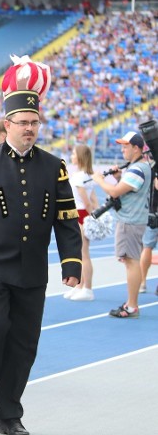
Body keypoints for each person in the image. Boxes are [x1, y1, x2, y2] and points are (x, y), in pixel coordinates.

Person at [0, 58, 82, 435]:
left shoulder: (54, 166)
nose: (29, 129)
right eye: (22, 122)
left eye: (34, 123)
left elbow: (67, 219)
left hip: (31, 271)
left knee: (24, 343)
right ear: (7, 124)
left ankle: (9, 411)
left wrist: (71, 262)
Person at [91, 131, 151, 318]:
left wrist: (101, 180)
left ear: (136, 148)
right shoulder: (143, 166)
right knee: (131, 261)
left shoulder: (136, 169)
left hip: (130, 221)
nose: (122, 149)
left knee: (131, 262)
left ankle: (131, 306)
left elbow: (116, 193)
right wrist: (118, 177)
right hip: (136, 219)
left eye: (126, 146)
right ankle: (131, 304)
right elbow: (128, 190)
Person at [65, 144, 99, 301]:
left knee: (83, 254)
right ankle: (80, 286)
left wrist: (91, 217)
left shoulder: (79, 177)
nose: (71, 156)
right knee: (80, 253)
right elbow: (94, 200)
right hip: (83, 214)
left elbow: (87, 202)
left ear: (80, 156)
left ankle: (88, 288)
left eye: (73, 153)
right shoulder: (86, 175)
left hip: (79, 214)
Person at [141, 160, 157, 295]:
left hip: (151, 211)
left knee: (147, 247)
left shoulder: (149, 168)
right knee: (146, 247)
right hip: (153, 211)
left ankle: (142, 282)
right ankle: (142, 282)